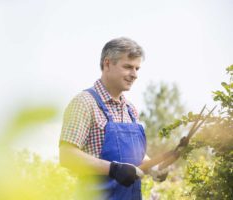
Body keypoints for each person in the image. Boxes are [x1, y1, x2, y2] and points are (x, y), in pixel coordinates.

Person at [59, 37, 168, 200]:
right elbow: (67, 156)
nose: (134, 75)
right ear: (107, 64)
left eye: (137, 68)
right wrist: (113, 169)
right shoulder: (84, 103)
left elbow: (133, 157)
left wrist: (153, 166)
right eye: (128, 67)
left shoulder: (130, 110)